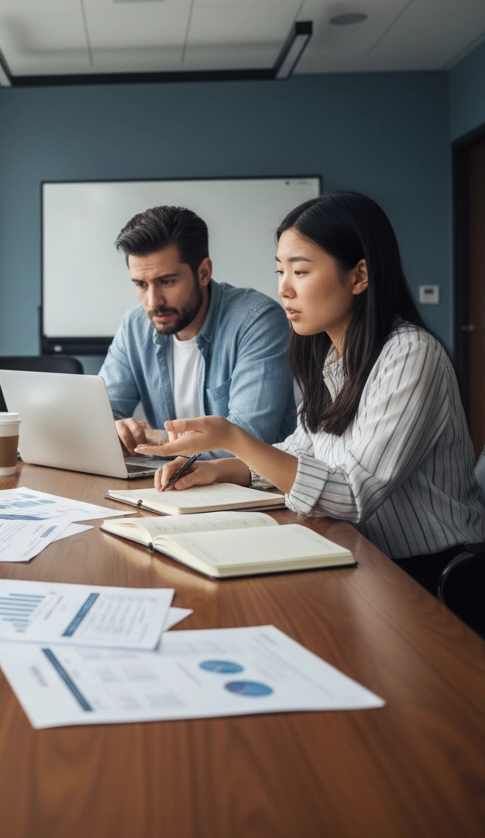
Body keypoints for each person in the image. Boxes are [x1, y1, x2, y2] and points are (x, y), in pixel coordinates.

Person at [137, 191, 485, 589]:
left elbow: (352, 496)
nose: (284, 289)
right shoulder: (333, 357)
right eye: (280, 271)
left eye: (300, 272)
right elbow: (301, 451)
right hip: (361, 557)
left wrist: (233, 438)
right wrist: (218, 469)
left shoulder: (410, 354)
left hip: (432, 576)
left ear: (359, 276)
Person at [99, 205, 295, 456]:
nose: (152, 301)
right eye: (140, 284)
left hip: (248, 491)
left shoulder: (257, 320)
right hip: (167, 484)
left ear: (203, 272)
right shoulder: (135, 325)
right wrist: (116, 428)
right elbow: (100, 417)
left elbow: (247, 441)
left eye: (166, 282)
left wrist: (153, 439)